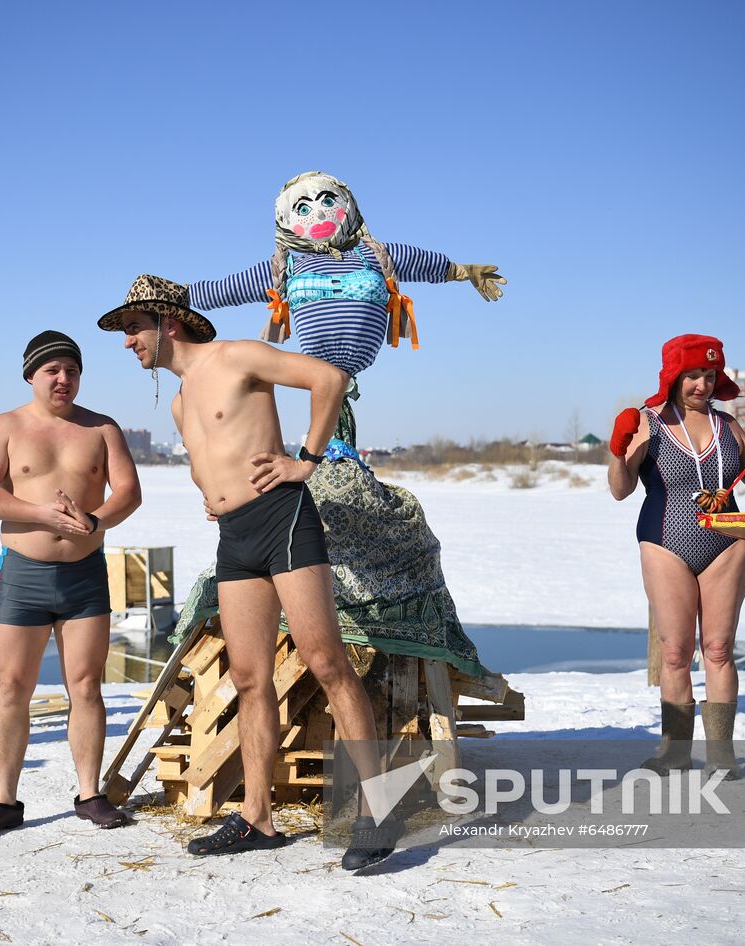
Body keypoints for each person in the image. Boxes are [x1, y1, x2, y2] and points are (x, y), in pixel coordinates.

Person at [99, 275, 395, 871]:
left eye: (132, 328)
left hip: (283, 517)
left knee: (326, 659)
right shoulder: (181, 400)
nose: (127, 342)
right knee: (251, 678)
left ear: (166, 322)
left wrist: (304, 460)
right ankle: (258, 818)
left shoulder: (236, 356)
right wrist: (213, 493)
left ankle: (378, 810)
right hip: (233, 538)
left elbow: (330, 379)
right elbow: (208, 456)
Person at [168, 171, 498, 682]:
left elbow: (425, 262)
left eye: (327, 202)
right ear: (284, 221)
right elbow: (221, 290)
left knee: (345, 463)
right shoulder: (286, 266)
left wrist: (464, 271)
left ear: (348, 205)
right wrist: (175, 298)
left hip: (341, 384)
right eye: (302, 208)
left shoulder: (377, 255)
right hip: (318, 381)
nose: (317, 213)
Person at [0, 331, 141, 837]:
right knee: (13, 686)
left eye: (72, 371)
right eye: (53, 371)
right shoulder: (7, 426)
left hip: (85, 577)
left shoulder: (102, 428)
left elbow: (128, 491)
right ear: (31, 375)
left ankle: (90, 792)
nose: (64, 380)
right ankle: (4, 800)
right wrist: (41, 514)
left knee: (86, 685)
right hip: (23, 574)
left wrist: (96, 521)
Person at [608, 335, 745, 778]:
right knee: (675, 652)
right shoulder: (648, 422)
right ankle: (675, 752)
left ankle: (721, 756)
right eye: (693, 375)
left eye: (710, 375)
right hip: (664, 541)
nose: (702, 384)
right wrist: (618, 451)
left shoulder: (728, 424)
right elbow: (620, 489)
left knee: (718, 649)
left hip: (727, 543)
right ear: (674, 376)